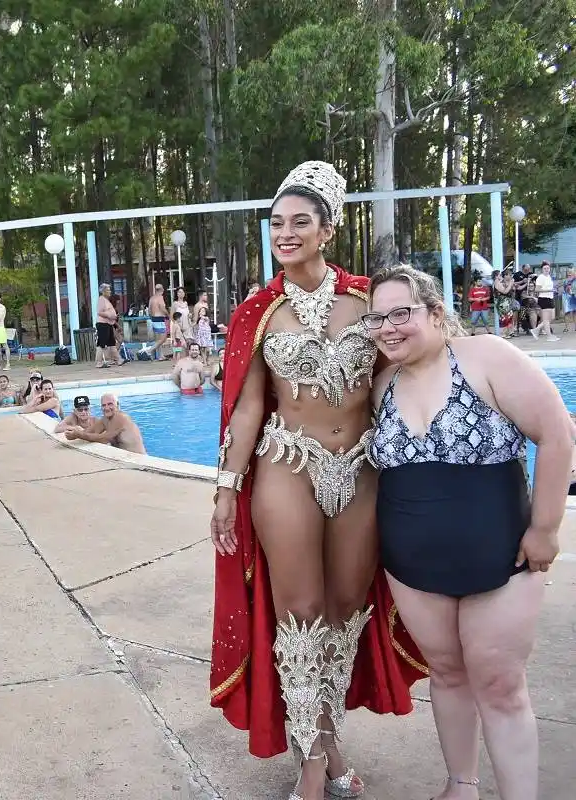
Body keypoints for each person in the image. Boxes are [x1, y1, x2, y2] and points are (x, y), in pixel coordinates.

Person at [210, 161, 425, 800]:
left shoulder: (370, 301)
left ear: (327, 229)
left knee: (345, 613)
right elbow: (249, 406)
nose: (285, 232)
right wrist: (226, 488)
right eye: (276, 223)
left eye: (300, 221)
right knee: (299, 615)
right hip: (287, 468)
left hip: (360, 470)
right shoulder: (259, 311)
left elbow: (402, 374)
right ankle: (311, 767)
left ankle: (329, 742)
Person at [366, 265, 568, 800]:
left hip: (502, 556)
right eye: (377, 318)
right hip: (412, 564)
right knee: (448, 673)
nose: (389, 327)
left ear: (434, 312)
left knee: (500, 684)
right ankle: (462, 783)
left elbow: (556, 432)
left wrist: (545, 529)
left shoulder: (486, 357)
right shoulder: (383, 384)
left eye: (400, 313)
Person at [64, 394, 145, 454]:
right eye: (103, 405)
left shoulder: (120, 417)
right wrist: (73, 433)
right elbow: (90, 432)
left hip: (139, 460)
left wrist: (78, 435)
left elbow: (103, 439)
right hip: (125, 459)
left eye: (110, 404)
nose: (106, 408)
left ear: (118, 405)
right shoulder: (105, 419)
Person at [529, 261, 559, 341]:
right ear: (542, 269)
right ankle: (549, 336)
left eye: (548, 268)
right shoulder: (540, 277)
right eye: (544, 268)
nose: (546, 269)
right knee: (546, 319)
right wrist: (550, 290)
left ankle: (536, 330)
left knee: (552, 317)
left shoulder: (549, 277)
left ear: (550, 269)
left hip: (550, 298)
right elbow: (537, 289)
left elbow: (550, 288)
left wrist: (553, 290)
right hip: (544, 299)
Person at [95, 283, 121, 367]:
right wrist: (110, 315)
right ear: (103, 291)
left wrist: (114, 316)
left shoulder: (106, 300)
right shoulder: (101, 299)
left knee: (112, 343)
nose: (110, 291)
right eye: (108, 290)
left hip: (108, 323)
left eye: (110, 289)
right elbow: (99, 312)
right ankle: (99, 362)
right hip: (102, 324)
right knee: (101, 343)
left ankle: (118, 360)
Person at [148, 283, 169, 350]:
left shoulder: (152, 298)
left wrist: (151, 317)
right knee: (163, 339)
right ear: (162, 289)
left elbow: (149, 310)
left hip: (153, 319)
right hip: (160, 318)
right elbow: (162, 308)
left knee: (158, 340)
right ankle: (149, 351)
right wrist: (168, 315)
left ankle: (160, 356)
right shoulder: (160, 298)